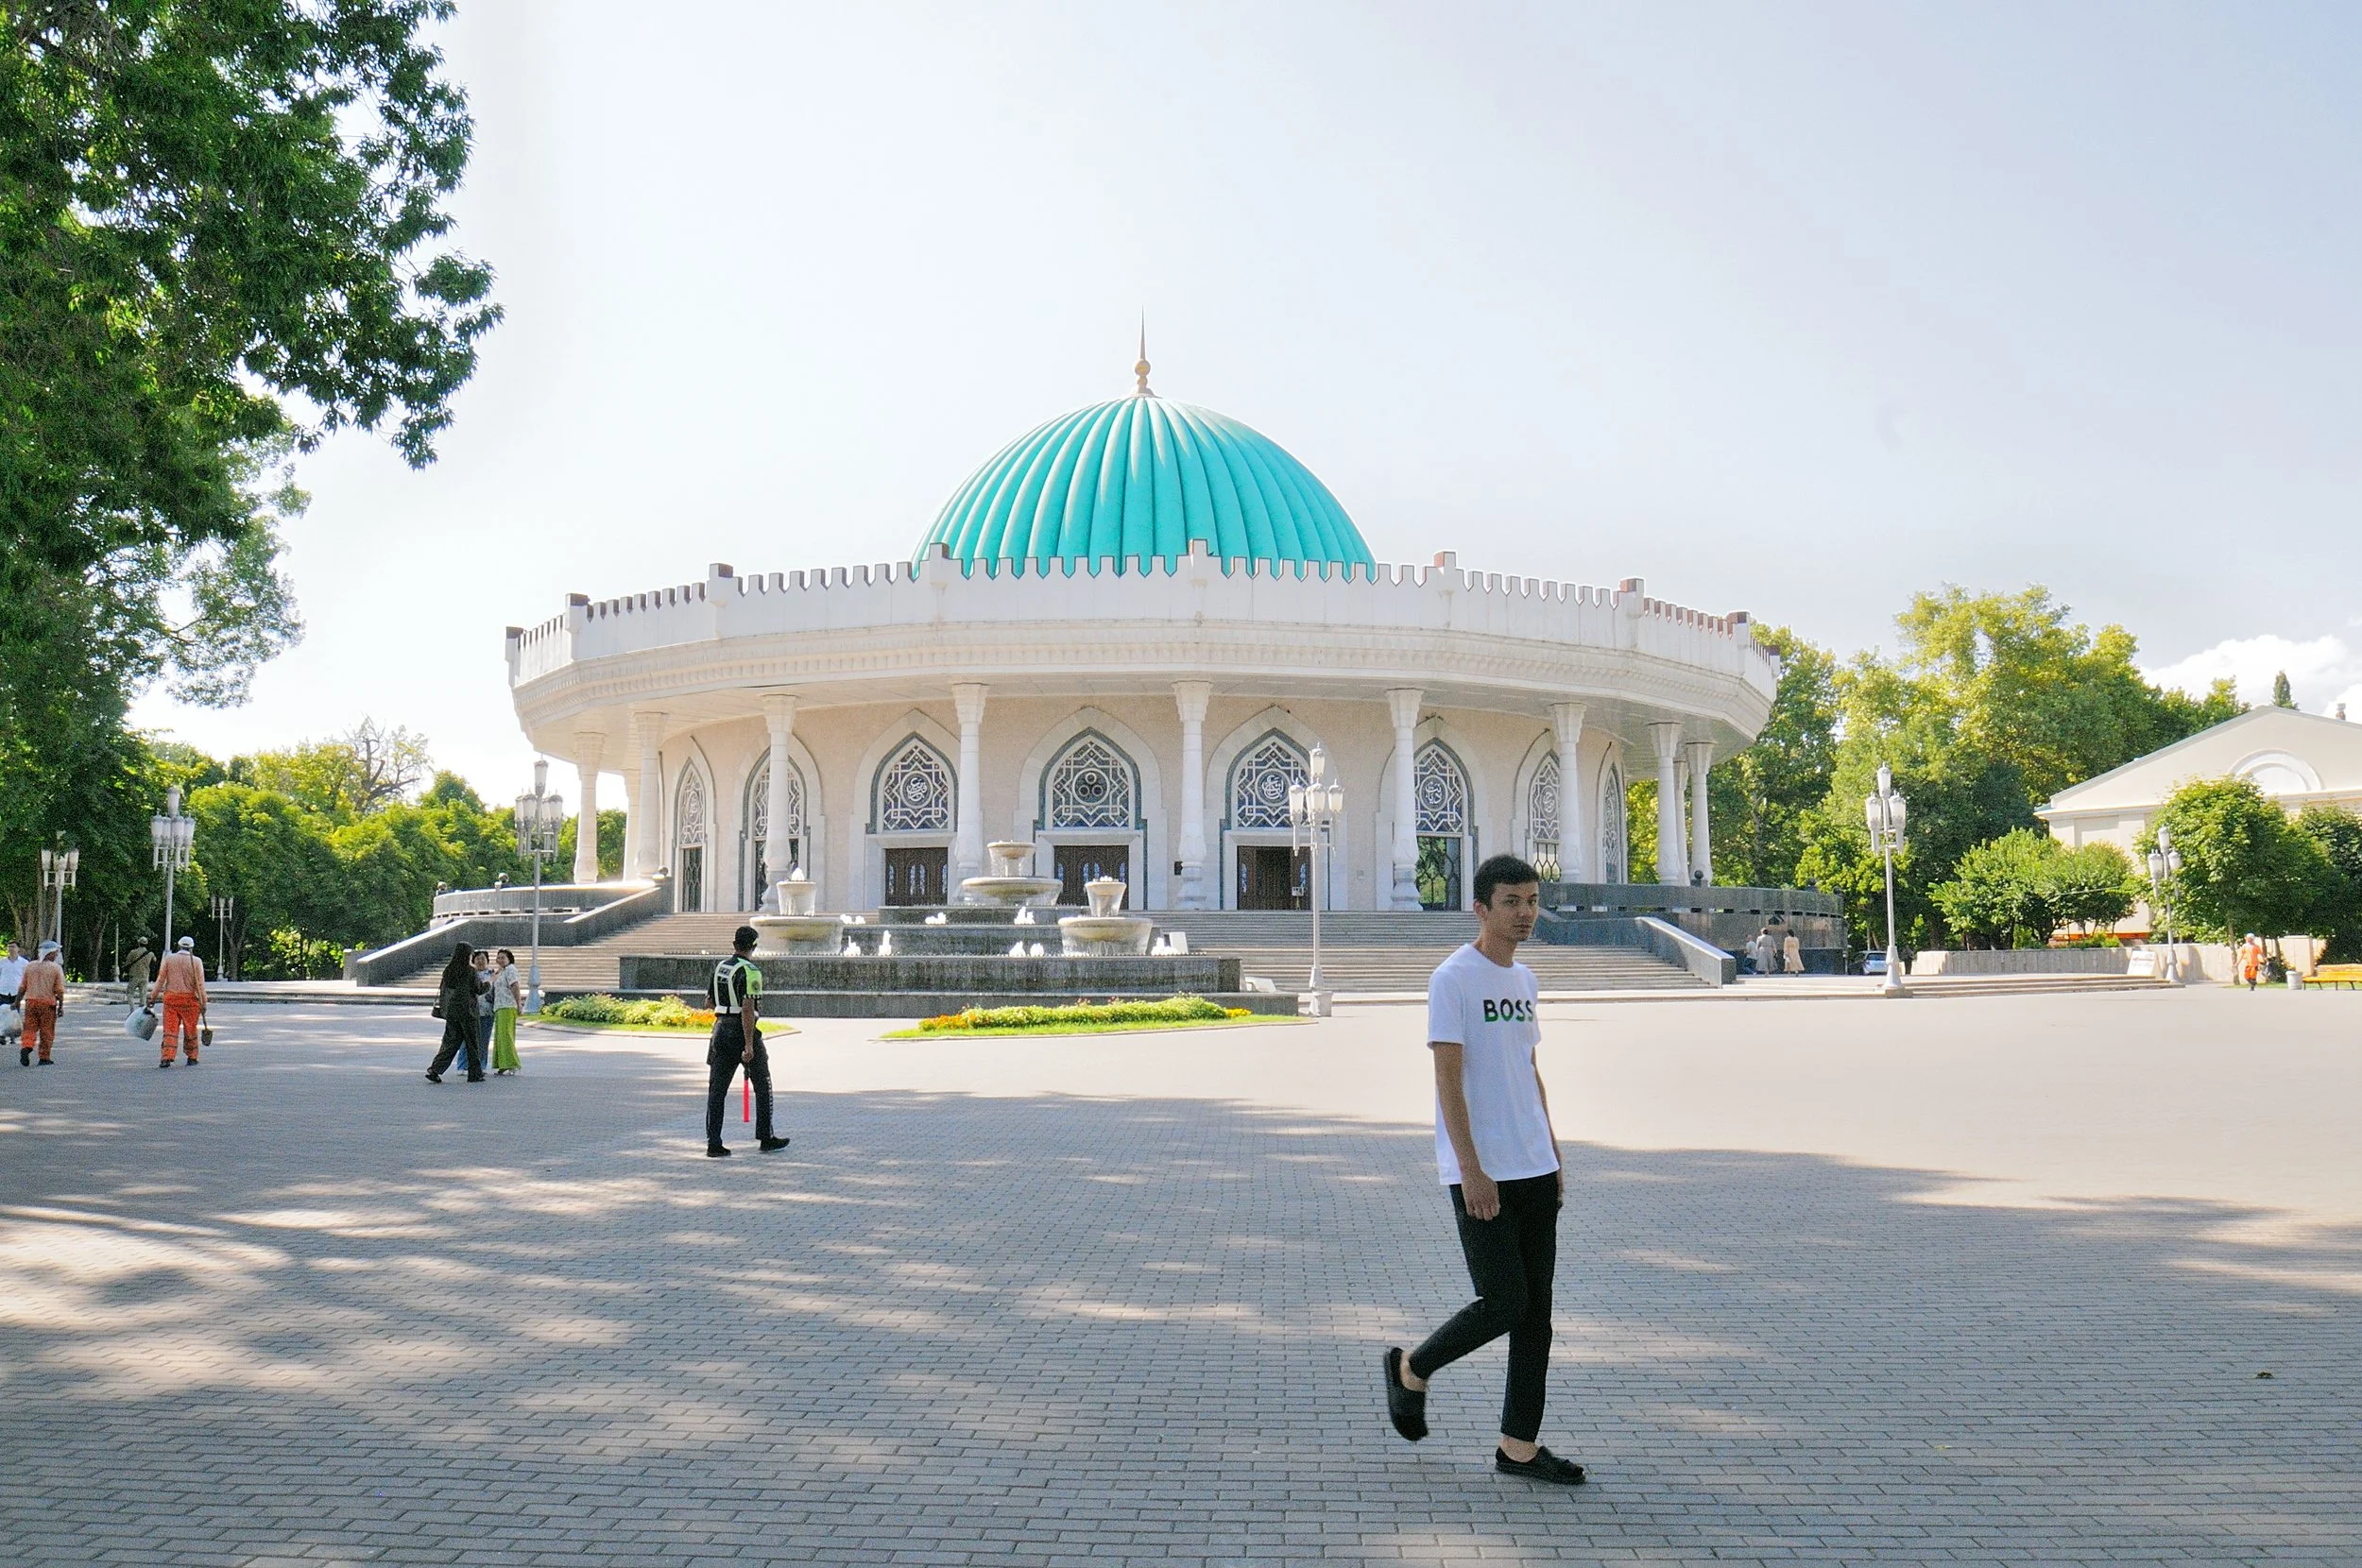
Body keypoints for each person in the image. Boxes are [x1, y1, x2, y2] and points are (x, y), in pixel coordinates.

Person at [1383, 853, 1586, 1486]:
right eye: (1511, 902)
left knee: (1536, 1319)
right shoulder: (1453, 978)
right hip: (1483, 1171)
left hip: (1533, 1166)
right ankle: (1411, 1368)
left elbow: (1528, 1071)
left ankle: (1518, 1446)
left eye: (1531, 900)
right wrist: (1470, 1168)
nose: (1525, 913)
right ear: (1481, 907)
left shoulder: (1523, 980)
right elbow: (1448, 1078)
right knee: (1504, 1302)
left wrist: (1552, 1152)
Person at [705, 925, 789, 1158]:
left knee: (717, 1090)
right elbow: (748, 1009)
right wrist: (749, 1044)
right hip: (742, 1032)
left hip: (720, 1030)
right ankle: (766, 1137)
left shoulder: (720, 967)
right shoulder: (751, 971)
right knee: (762, 1083)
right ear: (753, 946)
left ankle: (714, 1143)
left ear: (734, 945)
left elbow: (709, 1002)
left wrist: (724, 1012)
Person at [426, 944, 486, 1082]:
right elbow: (479, 989)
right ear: (467, 955)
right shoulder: (470, 971)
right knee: (472, 1042)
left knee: (450, 1042)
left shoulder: (449, 970)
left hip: (452, 1012)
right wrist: (489, 982)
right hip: (468, 1012)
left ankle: (435, 1069)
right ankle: (475, 1074)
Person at [155, 935, 208, 1066]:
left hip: (171, 999)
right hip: (189, 1001)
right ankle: (192, 1057)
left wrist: (153, 996)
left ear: (179, 946)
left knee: (170, 1030)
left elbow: (161, 980)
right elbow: (200, 984)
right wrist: (204, 1002)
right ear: (191, 948)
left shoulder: (169, 959)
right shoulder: (196, 961)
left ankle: (166, 1057)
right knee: (190, 1029)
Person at [21, 940, 67, 1066]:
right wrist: (61, 1006)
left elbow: (22, 986)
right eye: (56, 952)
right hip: (47, 1004)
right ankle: (44, 1057)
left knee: (29, 1028)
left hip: (31, 1002)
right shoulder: (55, 968)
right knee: (47, 1031)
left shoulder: (30, 966)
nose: (57, 955)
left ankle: (27, 1046)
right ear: (50, 953)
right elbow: (59, 990)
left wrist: (17, 1001)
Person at [489, 949, 522, 1074]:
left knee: (506, 1036)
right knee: (500, 1037)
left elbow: (515, 987)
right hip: (499, 1007)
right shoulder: (501, 971)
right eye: (498, 957)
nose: (500, 960)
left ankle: (512, 1063)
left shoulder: (511, 970)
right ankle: (502, 1064)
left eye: (503, 957)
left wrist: (519, 1004)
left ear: (509, 959)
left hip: (508, 1006)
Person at [472, 949, 497, 1070]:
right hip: (472, 1011)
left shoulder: (493, 974)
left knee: (484, 1041)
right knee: (469, 1040)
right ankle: (465, 1065)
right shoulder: (470, 973)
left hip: (487, 1011)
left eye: (483, 959)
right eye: (478, 959)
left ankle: (482, 1065)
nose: (480, 961)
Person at [124, 939, 155, 1008]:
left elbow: (127, 963)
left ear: (138, 943)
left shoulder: (133, 952)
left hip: (134, 976)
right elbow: (154, 961)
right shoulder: (150, 954)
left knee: (130, 993)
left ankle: (132, 1010)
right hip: (145, 976)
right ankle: (141, 1011)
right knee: (143, 995)